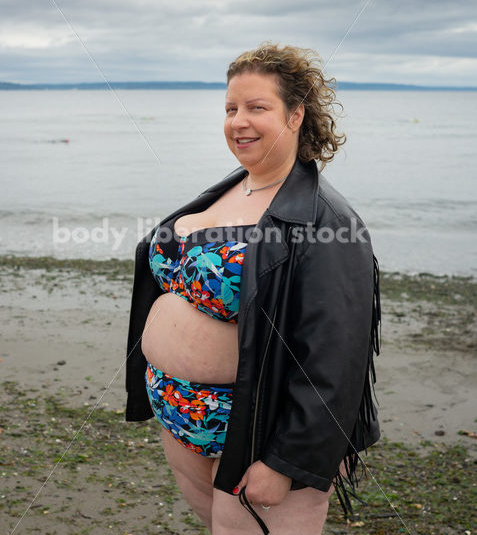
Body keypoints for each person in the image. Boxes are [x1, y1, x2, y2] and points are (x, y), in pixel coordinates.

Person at [124, 42, 381, 535]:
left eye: (257, 107)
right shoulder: (231, 187)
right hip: (182, 420)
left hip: (259, 439)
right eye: (230, 108)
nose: (238, 121)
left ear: (295, 116)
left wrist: (286, 462)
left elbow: (336, 357)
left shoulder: (328, 221)